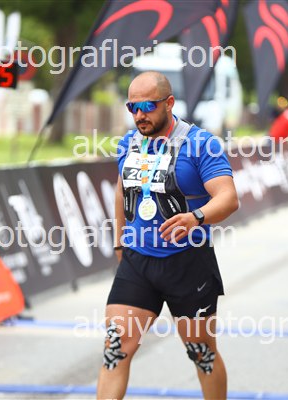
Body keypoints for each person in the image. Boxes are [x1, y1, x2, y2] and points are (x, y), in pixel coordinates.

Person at [97, 71, 239, 399]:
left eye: (148, 106)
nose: (139, 115)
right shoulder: (129, 143)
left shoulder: (201, 144)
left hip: (188, 264)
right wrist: (120, 240)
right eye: (132, 107)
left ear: (169, 103)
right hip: (138, 262)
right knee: (115, 348)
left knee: (202, 354)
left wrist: (196, 217)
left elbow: (228, 198)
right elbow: (122, 190)